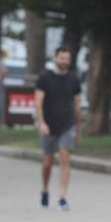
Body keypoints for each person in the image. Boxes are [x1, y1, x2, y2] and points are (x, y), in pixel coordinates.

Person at [34, 45, 81, 210]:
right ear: (55, 58)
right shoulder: (45, 78)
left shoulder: (74, 79)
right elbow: (38, 102)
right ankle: (45, 190)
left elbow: (77, 104)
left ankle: (62, 196)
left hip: (67, 124)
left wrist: (78, 127)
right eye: (62, 58)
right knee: (47, 162)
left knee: (64, 157)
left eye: (67, 58)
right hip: (49, 124)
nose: (65, 61)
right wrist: (41, 123)